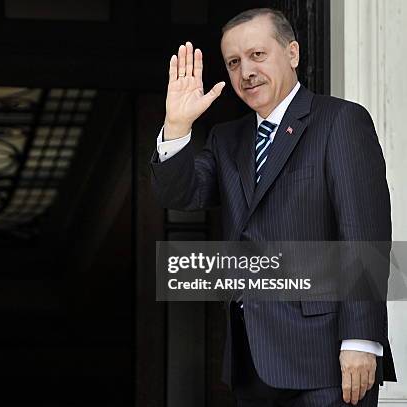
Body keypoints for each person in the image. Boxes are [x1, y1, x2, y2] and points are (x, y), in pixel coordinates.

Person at [151, 8, 396, 406]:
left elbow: (363, 234)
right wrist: (177, 128)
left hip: (327, 364)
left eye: (257, 55)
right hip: (252, 366)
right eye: (234, 62)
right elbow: (180, 196)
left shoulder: (339, 122)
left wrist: (361, 339)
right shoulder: (226, 139)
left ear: (293, 53)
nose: (245, 71)